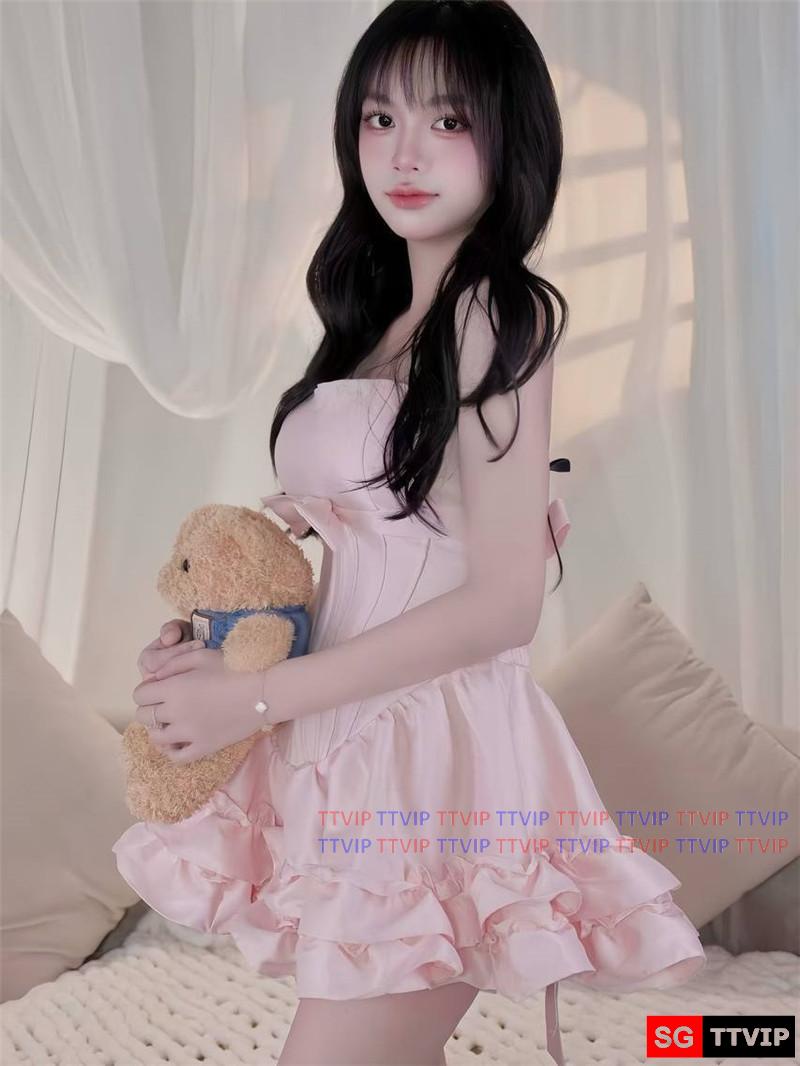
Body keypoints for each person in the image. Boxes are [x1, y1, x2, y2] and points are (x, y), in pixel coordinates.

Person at [113, 3, 706, 1063]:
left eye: (447, 120)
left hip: (431, 755)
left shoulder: (496, 310)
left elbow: (503, 605)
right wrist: (217, 645)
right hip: (343, 733)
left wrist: (253, 697)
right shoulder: (377, 318)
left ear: (508, 134)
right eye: (379, 119)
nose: (404, 152)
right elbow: (364, 545)